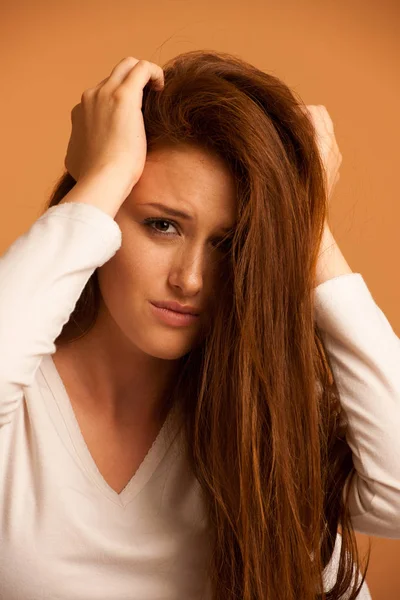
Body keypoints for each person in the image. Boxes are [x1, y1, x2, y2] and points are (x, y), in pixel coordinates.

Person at [1, 50, 398, 600]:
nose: (190, 279)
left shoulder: (269, 416)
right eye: (162, 225)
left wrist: (303, 223)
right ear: (101, 216)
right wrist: (100, 177)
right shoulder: (17, 400)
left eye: (229, 244)